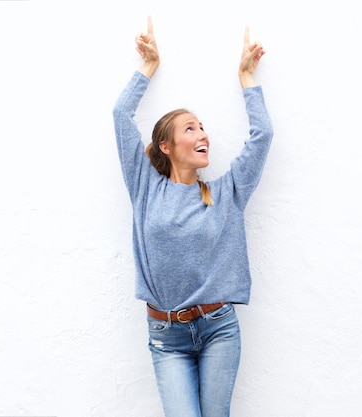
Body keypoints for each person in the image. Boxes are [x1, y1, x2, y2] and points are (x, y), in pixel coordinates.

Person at [112, 16, 273, 417]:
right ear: (166, 146)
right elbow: (120, 116)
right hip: (166, 335)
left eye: (203, 127)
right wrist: (148, 67)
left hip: (218, 327)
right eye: (190, 128)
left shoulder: (226, 192)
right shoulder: (145, 186)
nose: (202, 134)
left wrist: (246, 77)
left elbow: (263, 136)